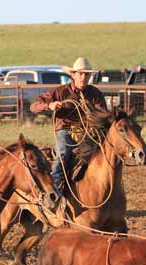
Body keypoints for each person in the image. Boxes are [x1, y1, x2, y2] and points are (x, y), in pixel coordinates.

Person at [30, 57, 107, 193]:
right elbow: (34, 106)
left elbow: (103, 114)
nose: (83, 77)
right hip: (65, 129)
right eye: (80, 73)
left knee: (101, 155)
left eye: (87, 74)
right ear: (73, 74)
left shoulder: (95, 94)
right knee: (64, 153)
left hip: (88, 132)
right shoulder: (60, 92)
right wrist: (50, 105)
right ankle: (53, 190)